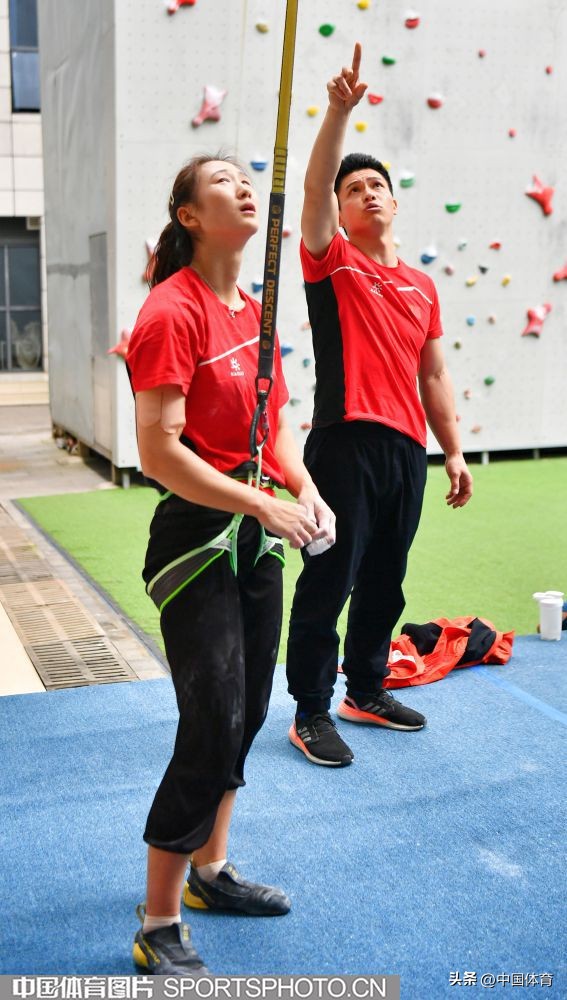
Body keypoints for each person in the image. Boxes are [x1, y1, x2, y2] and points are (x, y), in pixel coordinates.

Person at [127, 154, 335, 975]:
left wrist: (303, 486)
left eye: (245, 175)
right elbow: (157, 452)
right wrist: (258, 504)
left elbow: (274, 420)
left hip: (255, 536)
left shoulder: (255, 308)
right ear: (187, 215)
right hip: (193, 540)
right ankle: (157, 921)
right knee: (209, 718)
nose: (243, 183)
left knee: (247, 711)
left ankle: (211, 871)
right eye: (221, 178)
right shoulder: (169, 312)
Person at [286, 44, 473, 768]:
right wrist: (338, 112)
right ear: (337, 211)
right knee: (329, 578)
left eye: (375, 185)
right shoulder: (332, 262)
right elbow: (308, 197)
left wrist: (451, 450)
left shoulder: (423, 288)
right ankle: (309, 708)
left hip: (405, 450)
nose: (365, 193)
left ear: (394, 202)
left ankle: (364, 690)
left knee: (385, 582)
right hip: (342, 441)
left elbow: (434, 375)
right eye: (351, 188)